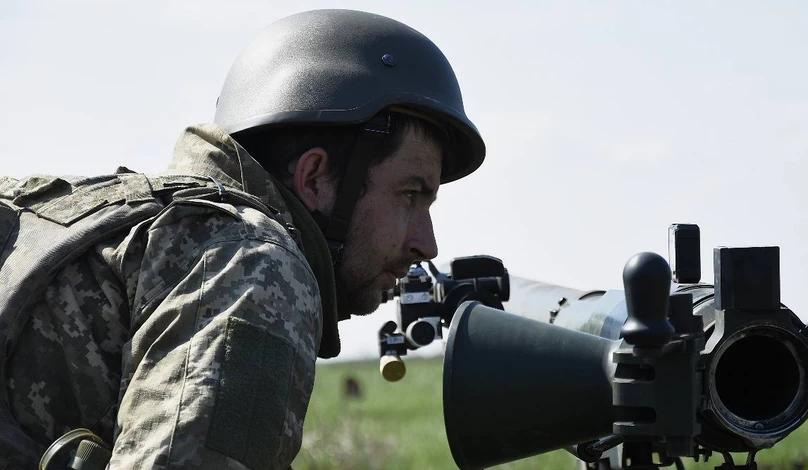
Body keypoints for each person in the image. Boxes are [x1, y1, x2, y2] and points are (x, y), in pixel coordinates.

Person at [0, 9, 485, 469]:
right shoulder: (253, 262)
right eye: (410, 195)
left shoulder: (106, 219)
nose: (427, 244)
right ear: (315, 178)